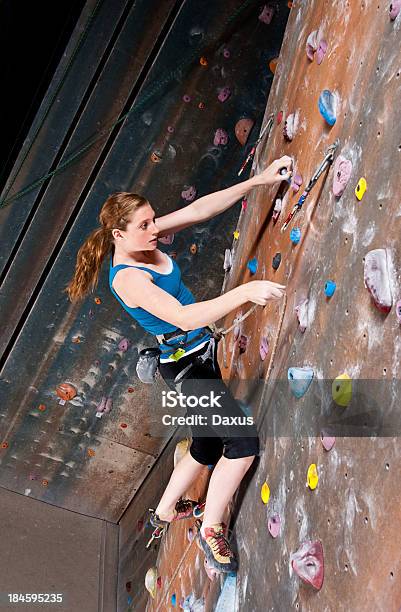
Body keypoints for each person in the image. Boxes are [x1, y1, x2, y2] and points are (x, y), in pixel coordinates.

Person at [65, 155, 292, 572]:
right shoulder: (129, 278)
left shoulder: (143, 239)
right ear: (119, 234)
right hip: (188, 368)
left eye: (153, 220)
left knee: (206, 445)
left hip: (193, 358)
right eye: (146, 225)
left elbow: (198, 209)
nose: (156, 229)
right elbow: (185, 318)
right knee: (241, 447)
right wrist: (247, 292)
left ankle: (166, 511)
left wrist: (259, 179)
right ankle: (211, 530)